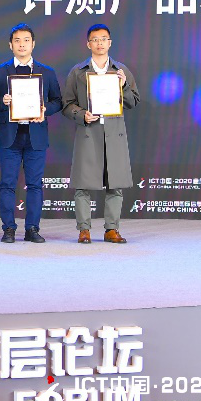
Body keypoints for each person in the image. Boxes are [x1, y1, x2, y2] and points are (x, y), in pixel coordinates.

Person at [61, 24, 141, 244]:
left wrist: (123, 86)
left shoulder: (120, 70)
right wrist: (82, 114)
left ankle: (111, 229)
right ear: (88, 44)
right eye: (95, 39)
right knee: (83, 184)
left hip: (114, 133)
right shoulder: (78, 71)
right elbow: (67, 104)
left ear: (110, 43)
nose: (99, 43)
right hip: (89, 131)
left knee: (115, 184)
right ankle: (84, 230)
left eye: (103, 39)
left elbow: (133, 101)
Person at [0, 23, 63, 244]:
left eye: (26, 40)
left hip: (35, 135)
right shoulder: (0, 72)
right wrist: (1, 101)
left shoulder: (46, 72)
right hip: (9, 136)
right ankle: (8, 229)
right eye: (17, 41)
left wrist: (45, 110)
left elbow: (58, 101)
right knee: (7, 184)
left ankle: (32, 228)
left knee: (35, 185)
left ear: (33, 44)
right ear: (10, 45)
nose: (22, 45)